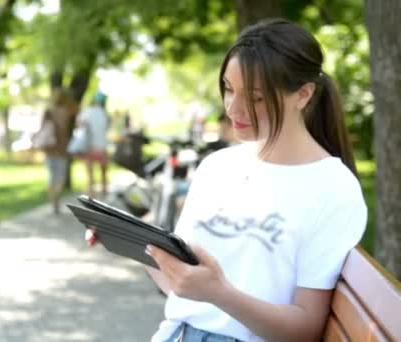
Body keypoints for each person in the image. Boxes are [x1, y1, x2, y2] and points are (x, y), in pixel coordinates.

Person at [85, 18, 367, 342]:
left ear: (302, 95)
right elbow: (184, 288)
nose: (234, 108)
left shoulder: (333, 188)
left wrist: (220, 294)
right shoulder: (217, 167)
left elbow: (305, 328)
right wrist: (127, 240)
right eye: (229, 89)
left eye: (256, 97)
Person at [42, 88, 76, 214]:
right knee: (60, 177)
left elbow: (42, 127)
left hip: (49, 148)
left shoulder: (48, 111)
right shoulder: (67, 111)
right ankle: (56, 199)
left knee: (52, 176)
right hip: (61, 148)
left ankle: (53, 202)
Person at [78, 91, 110, 197]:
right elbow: (106, 128)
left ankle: (91, 192)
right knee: (103, 171)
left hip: (89, 145)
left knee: (90, 173)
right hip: (102, 145)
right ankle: (104, 191)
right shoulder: (104, 113)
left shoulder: (86, 111)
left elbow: (80, 125)